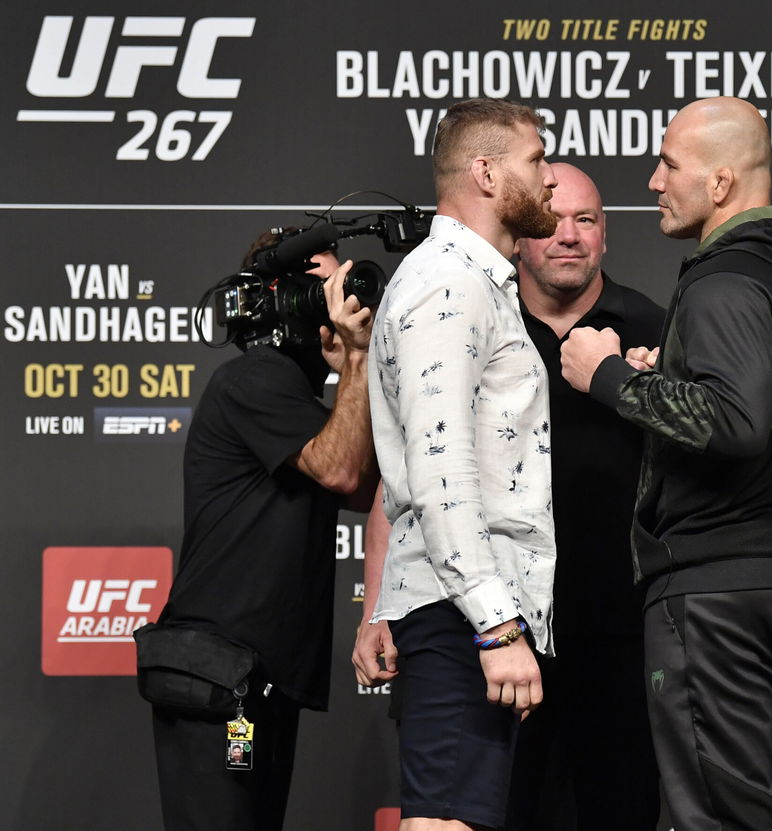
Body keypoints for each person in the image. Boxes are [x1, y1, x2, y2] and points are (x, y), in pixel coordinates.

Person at [560, 97, 772, 831]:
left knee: (716, 818)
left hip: (718, 591)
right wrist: (668, 381)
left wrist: (609, 376)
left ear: (720, 184)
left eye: (669, 164)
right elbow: (771, 405)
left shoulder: (724, 278)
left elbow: (735, 422)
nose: (654, 181)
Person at [363, 97, 558, 831]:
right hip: (461, 613)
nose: (550, 182)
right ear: (484, 171)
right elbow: (441, 471)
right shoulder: (448, 284)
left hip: (468, 607)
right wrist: (496, 627)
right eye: (536, 161)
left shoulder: (475, 282)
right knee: (444, 824)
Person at [150, 230, 377, 831]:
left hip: (255, 679)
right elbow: (341, 467)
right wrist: (356, 359)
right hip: (220, 678)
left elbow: (359, 488)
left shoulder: (291, 392)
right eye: (327, 288)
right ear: (286, 297)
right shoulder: (255, 377)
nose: (343, 304)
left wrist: (358, 369)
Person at [507, 162, 664, 830]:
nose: (568, 236)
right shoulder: (478, 326)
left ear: (606, 235)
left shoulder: (656, 327)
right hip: (502, 633)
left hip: (626, 633)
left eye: (587, 220)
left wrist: (647, 392)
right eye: (550, 222)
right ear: (517, 238)